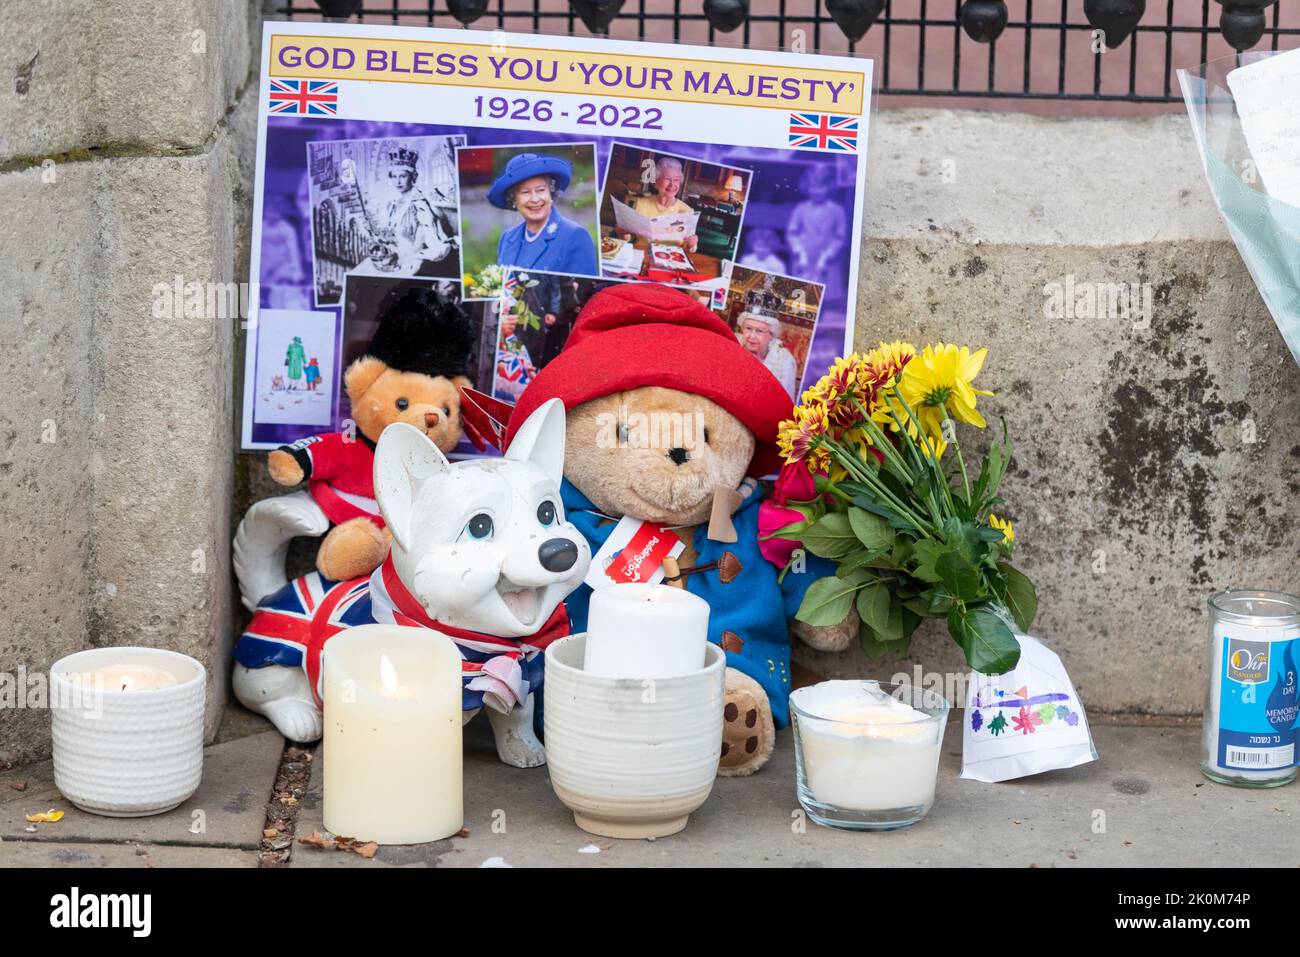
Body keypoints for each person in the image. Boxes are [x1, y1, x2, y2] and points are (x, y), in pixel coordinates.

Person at [491, 153, 598, 276]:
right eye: (525, 192)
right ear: (514, 199)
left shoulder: (575, 235)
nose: (535, 199)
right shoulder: (507, 237)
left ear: (551, 192)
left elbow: (585, 292)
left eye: (541, 190)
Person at [379, 146, 458, 276]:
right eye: (394, 176)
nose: (398, 181)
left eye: (403, 176)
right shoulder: (391, 205)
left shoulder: (420, 206)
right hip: (395, 256)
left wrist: (403, 261)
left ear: (412, 176)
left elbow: (420, 244)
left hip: (414, 259)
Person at [787, 165, 847, 288]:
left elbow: (840, 237)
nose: (816, 191)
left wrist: (828, 255)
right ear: (807, 187)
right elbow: (792, 233)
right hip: (804, 258)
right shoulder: (800, 208)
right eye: (813, 187)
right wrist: (799, 252)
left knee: (827, 296)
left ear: (829, 187)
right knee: (801, 293)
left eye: (821, 187)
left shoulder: (837, 210)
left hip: (828, 260)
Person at [630, 156, 698, 253]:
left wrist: (692, 243)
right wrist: (623, 233)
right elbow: (630, 238)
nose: (672, 185)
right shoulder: (641, 204)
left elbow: (690, 249)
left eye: (676, 180)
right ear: (656, 180)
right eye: (667, 179)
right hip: (642, 255)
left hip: (672, 260)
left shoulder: (687, 211)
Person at [737, 311, 797, 398]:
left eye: (759, 331)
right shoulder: (732, 344)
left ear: (771, 334)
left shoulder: (784, 361)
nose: (752, 336)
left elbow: (786, 403)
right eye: (748, 328)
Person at [495, 309, 537, 401]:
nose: (507, 309)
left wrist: (525, 368)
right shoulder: (485, 338)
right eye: (503, 313)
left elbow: (522, 358)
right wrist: (495, 328)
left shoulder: (512, 338)